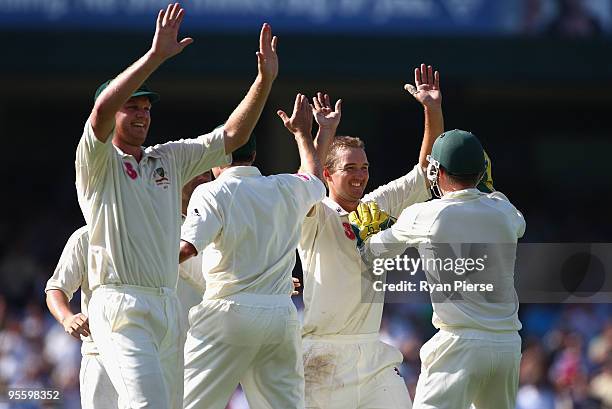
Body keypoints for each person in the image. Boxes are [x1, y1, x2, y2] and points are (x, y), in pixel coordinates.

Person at [74, 2, 279, 407]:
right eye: (131, 106)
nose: (141, 114)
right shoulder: (97, 163)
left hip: (166, 306)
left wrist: (264, 80)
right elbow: (100, 111)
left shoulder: (167, 157)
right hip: (121, 304)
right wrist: (155, 57)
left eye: (146, 108)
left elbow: (233, 136)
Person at [291, 64, 443, 409]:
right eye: (350, 168)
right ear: (329, 174)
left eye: (364, 167)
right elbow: (305, 181)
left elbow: (425, 172)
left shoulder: (375, 205)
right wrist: (323, 133)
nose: (360, 176)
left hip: (373, 354)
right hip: (324, 354)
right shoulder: (315, 213)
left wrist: (432, 109)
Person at [357, 130, 526, 409]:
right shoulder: (505, 211)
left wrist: (368, 231)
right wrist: (487, 191)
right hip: (507, 344)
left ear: (438, 170)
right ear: (483, 172)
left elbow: (373, 254)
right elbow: (517, 223)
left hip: (460, 345)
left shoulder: (425, 214)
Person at [179, 93, 326, 409]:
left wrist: (140, 264)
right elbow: (313, 177)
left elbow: (187, 248)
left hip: (227, 314)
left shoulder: (211, 192)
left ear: (215, 157)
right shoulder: (285, 186)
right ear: (255, 153)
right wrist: (303, 135)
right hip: (279, 316)